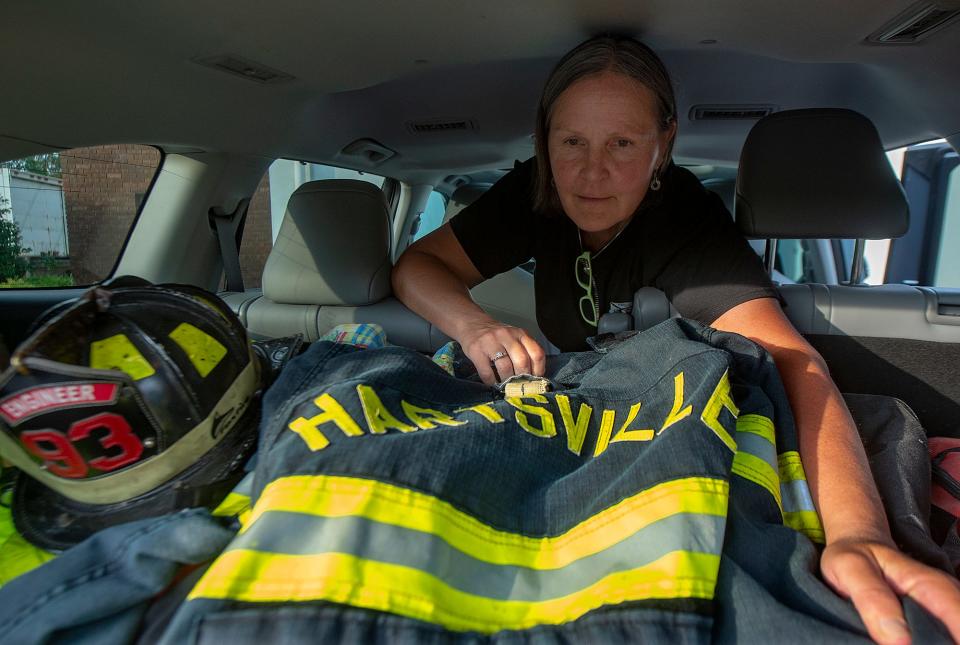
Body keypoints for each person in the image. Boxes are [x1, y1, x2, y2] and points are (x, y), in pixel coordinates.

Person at [393, 34, 960, 644]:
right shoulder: (537, 191)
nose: (591, 172)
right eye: (571, 142)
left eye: (623, 144)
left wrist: (858, 534)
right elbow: (417, 266)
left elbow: (795, 361)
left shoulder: (685, 222)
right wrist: (474, 324)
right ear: (545, 140)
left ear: (664, 144)